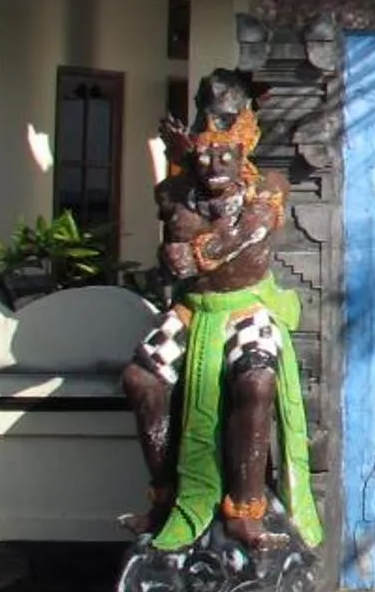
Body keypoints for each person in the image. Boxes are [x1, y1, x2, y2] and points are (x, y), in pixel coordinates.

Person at [119, 72, 323, 555]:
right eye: (204, 153)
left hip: (246, 310)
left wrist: (201, 255)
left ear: (244, 150)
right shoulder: (173, 193)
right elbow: (169, 253)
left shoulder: (265, 190)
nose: (213, 164)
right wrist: (170, 264)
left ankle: (245, 508)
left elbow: (250, 232)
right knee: (141, 379)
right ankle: (167, 496)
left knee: (255, 381)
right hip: (194, 312)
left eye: (225, 154)